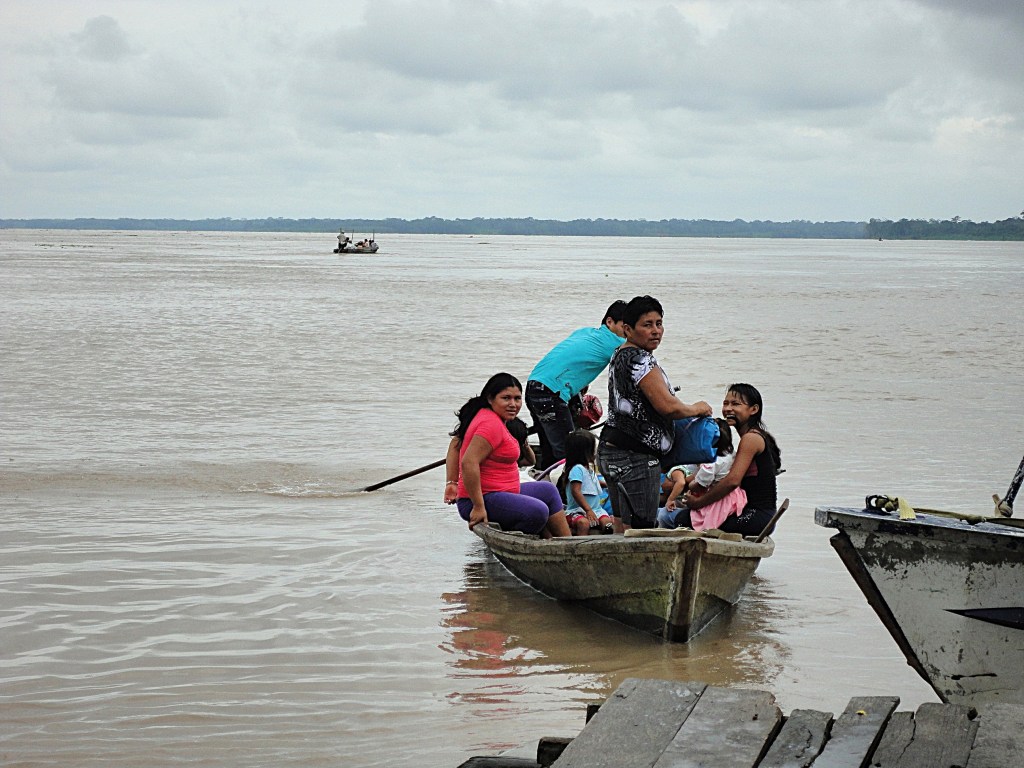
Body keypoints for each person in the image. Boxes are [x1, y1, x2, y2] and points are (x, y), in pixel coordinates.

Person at [597, 295, 712, 531]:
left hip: (610, 450)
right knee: (642, 529)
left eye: (659, 323)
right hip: (635, 457)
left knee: (622, 525)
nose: (655, 331)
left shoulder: (619, 354)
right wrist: (698, 408)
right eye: (647, 325)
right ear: (628, 329)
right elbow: (667, 407)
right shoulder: (641, 359)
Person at [445, 373, 571, 536]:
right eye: (506, 398)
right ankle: (534, 542)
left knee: (548, 490)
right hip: (483, 498)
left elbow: (456, 443)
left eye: (517, 399)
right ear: (490, 399)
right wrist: (478, 507)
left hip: (503, 492)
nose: (513, 404)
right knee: (538, 511)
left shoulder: (488, 416)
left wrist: (452, 482)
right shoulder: (491, 424)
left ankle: (567, 544)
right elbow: (469, 462)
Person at [525, 301, 627, 470]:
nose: (628, 332)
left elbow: (575, 362)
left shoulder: (585, 332)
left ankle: (548, 488)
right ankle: (569, 493)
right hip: (551, 392)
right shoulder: (617, 343)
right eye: (625, 326)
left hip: (534, 386)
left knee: (549, 448)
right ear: (610, 322)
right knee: (569, 452)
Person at [681, 384, 782, 537]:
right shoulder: (754, 436)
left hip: (757, 516)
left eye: (735, 404)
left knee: (679, 519)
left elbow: (732, 481)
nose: (728, 409)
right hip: (754, 513)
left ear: (753, 409)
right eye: (725, 403)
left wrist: (698, 503)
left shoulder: (751, 439)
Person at [658, 419, 747, 530]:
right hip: (733, 498)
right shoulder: (730, 454)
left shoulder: (709, 464)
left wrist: (691, 484)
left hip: (714, 501)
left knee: (662, 515)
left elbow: (698, 486)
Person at [559, 430, 614, 536]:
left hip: (596, 510)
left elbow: (592, 481)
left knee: (607, 523)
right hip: (578, 510)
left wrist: (607, 484)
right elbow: (576, 491)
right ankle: (580, 548)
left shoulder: (589, 469)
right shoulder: (576, 469)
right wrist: (588, 510)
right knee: (583, 524)